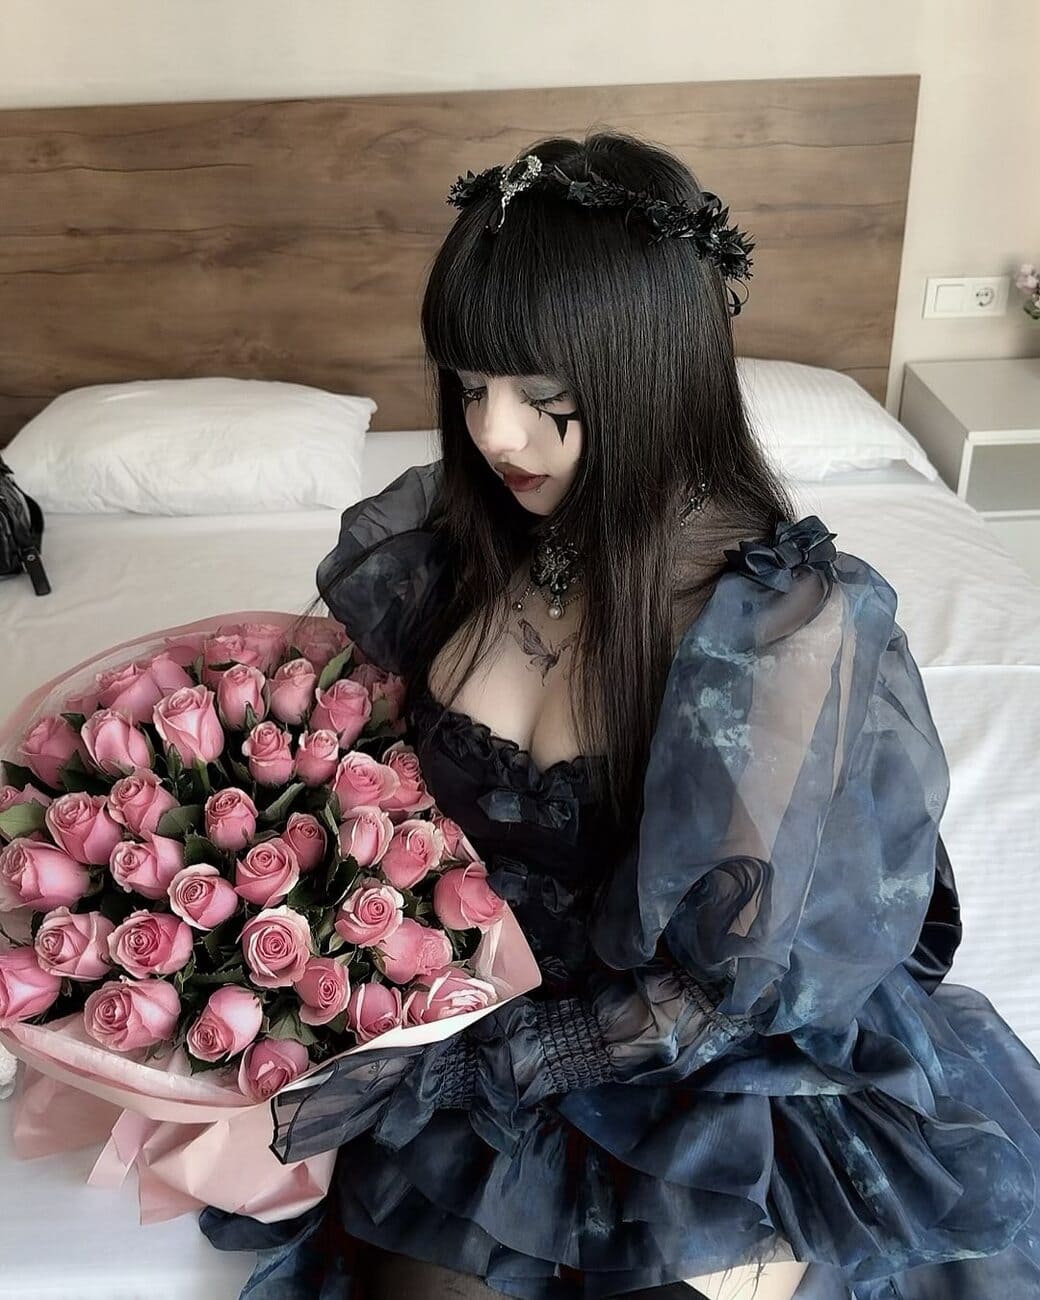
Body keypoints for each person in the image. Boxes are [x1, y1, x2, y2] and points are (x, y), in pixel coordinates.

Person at [200, 131, 1040, 1300]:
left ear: (653, 372)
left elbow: (724, 989)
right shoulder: (456, 542)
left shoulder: (778, 623)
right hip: (477, 1030)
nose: (495, 434)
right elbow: (364, 775)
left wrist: (488, 1056)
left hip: (707, 1076)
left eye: (541, 396)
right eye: (469, 386)